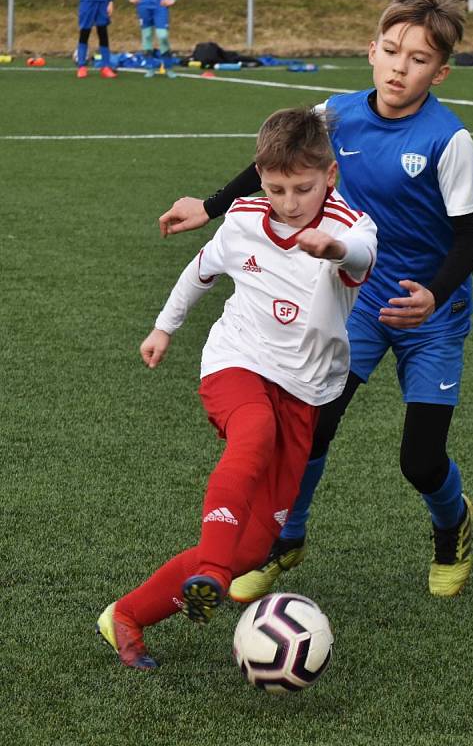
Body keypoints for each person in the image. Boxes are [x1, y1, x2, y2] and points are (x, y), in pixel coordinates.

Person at [158, 0, 473, 600]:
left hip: (430, 313)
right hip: (357, 300)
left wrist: (435, 296)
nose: (401, 68)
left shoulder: (450, 141)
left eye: (419, 60)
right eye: (393, 51)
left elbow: (471, 240)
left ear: (440, 73)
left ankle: (453, 524)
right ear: (372, 50)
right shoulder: (335, 112)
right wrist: (209, 206)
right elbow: (274, 162)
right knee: (313, 423)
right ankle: (287, 540)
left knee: (419, 460)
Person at [95, 107, 377, 669]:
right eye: (277, 188)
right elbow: (202, 269)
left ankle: (125, 616)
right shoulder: (246, 217)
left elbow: (363, 256)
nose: (291, 202)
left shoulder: (350, 228)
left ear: (330, 177)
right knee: (252, 434)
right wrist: (163, 328)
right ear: (261, 178)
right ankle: (213, 574)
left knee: (254, 548)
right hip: (237, 361)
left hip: (306, 391)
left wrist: (333, 249)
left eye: (303, 188)